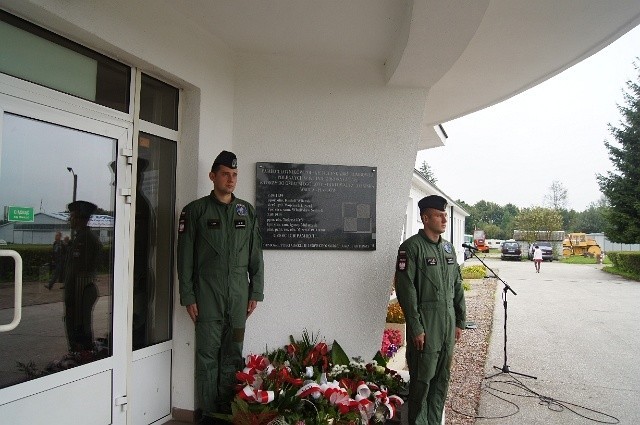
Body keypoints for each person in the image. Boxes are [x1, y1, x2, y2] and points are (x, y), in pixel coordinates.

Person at [177, 150, 264, 424]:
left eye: (235, 175)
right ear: (212, 176)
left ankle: (228, 413)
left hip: (238, 299)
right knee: (207, 358)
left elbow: (256, 256)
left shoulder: (246, 212)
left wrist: (256, 292)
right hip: (207, 297)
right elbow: (185, 257)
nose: (231, 179)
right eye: (225, 174)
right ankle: (208, 415)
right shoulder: (195, 211)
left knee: (233, 356)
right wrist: (188, 295)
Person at [394, 195, 466, 425]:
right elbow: (406, 291)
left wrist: (459, 321)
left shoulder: (448, 249)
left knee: (442, 379)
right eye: (439, 215)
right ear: (425, 218)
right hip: (427, 324)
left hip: (447, 325)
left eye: (445, 215)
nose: (445, 219)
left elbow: (457, 286)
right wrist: (415, 327)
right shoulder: (411, 248)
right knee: (422, 381)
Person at [63, 200, 101, 352]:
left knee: (80, 329)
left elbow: (81, 272)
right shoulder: (80, 238)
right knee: (75, 327)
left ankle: (82, 356)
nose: (70, 219)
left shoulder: (87, 239)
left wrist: (72, 298)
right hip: (77, 291)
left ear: (80, 219)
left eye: (72, 216)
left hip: (81, 291)